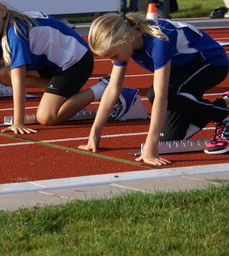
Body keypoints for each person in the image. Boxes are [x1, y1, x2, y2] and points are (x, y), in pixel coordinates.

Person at [81, 13, 229, 163]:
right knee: (170, 139)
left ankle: (223, 115)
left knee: (156, 94)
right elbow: (113, 89)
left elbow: (161, 96)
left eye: (113, 56)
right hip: (180, 72)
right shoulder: (125, 44)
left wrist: (151, 144)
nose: (113, 61)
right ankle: (222, 105)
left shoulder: (158, 41)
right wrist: (94, 133)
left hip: (212, 65)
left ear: (126, 39)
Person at [0, 0, 106, 134]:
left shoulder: (16, 32)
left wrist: (18, 121)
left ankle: (104, 86)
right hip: (50, 64)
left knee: (46, 117)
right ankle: (63, 92)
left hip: (76, 62)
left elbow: (18, 80)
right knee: (2, 73)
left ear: (2, 10)